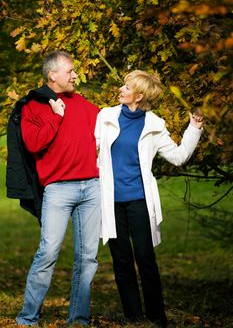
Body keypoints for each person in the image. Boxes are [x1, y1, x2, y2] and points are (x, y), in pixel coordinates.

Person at [95, 70, 203, 328]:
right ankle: (133, 315)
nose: (121, 89)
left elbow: (178, 157)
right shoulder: (106, 116)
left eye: (126, 87)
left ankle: (157, 316)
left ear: (139, 96)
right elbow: (92, 150)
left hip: (139, 201)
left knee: (145, 258)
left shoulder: (155, 125)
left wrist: (194, 129)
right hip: (110, 201)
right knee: (121, 260)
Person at [16, 51, 101, 326]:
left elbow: (108, 129)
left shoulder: (85, 105)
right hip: (58, 190)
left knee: (88, 258)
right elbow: (33, 144)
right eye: (71, 71)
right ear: (52, 75)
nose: (76, 75)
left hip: (92, 188)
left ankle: (78, 318)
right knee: (48, 252)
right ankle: (27, 318)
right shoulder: (33, 106)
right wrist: (55, 117)